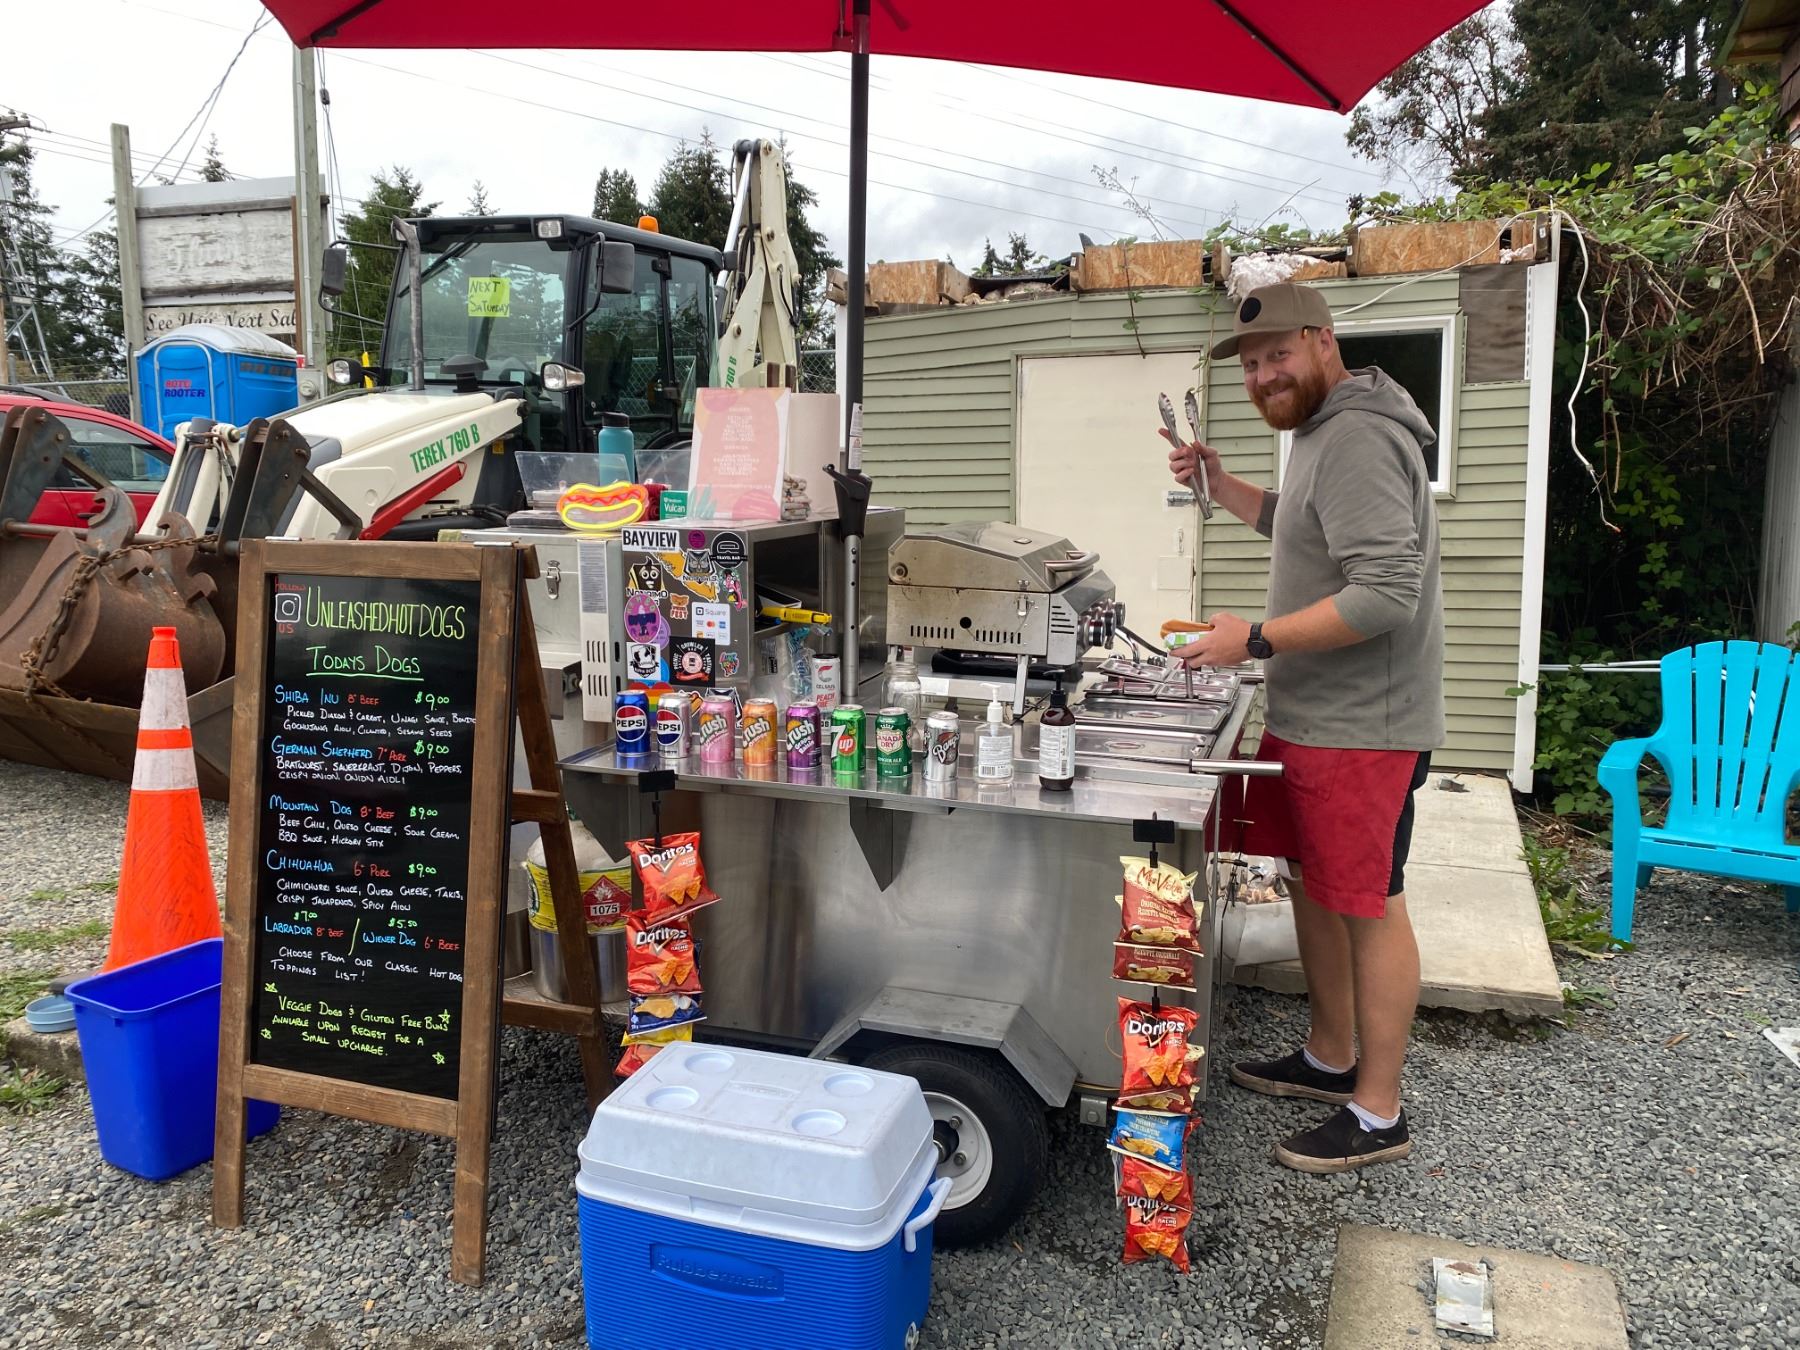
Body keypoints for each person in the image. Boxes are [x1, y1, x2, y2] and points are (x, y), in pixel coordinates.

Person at [1163, 282, 1444, 1174]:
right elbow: (1300, 526)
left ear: (1325, 341)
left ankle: (1378, 1111)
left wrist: (1254, 638)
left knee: (1368, 902)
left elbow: (1386, 593)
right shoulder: (1322, 432)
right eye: (1251, 364)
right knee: (1313, 886)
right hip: (1316, 714)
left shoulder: (1357, 435)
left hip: (1365, 724)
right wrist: (1218, 484)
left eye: (1278, 354)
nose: (1263, 375)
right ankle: (1329, 1056)